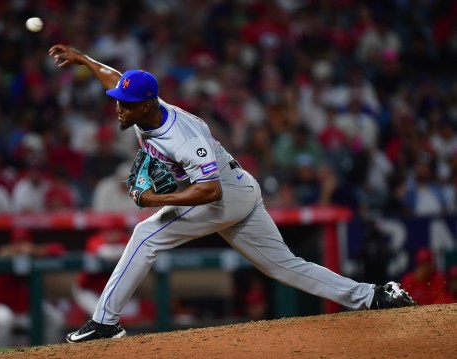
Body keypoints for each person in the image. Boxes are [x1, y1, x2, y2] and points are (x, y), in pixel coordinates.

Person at [48, 44, 416, 343]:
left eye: (125, 103)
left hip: (224, 196)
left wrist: (156, 201)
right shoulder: (143, 107)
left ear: (146, 104)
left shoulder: (183, 138)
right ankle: (375, 295)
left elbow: (209, 190)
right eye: (117, 100)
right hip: (239, 189)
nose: (118, 107)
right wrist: (83, 58)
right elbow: (116, 79)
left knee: (146, 234)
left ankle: (105, 323)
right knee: (284, 266)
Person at [0, 228, 66, 347]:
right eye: (18, 243)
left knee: (55, 319)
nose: (21, 247)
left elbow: (59, 250)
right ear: (12, 243)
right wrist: (8, 255)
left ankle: (48, 353)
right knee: (5, 319)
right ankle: (2, 355)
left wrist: (36, 250)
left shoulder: (33, 256)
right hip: (0, 307)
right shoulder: (5, 256)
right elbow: (0, 257)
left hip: (27, 310)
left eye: (24, 242)